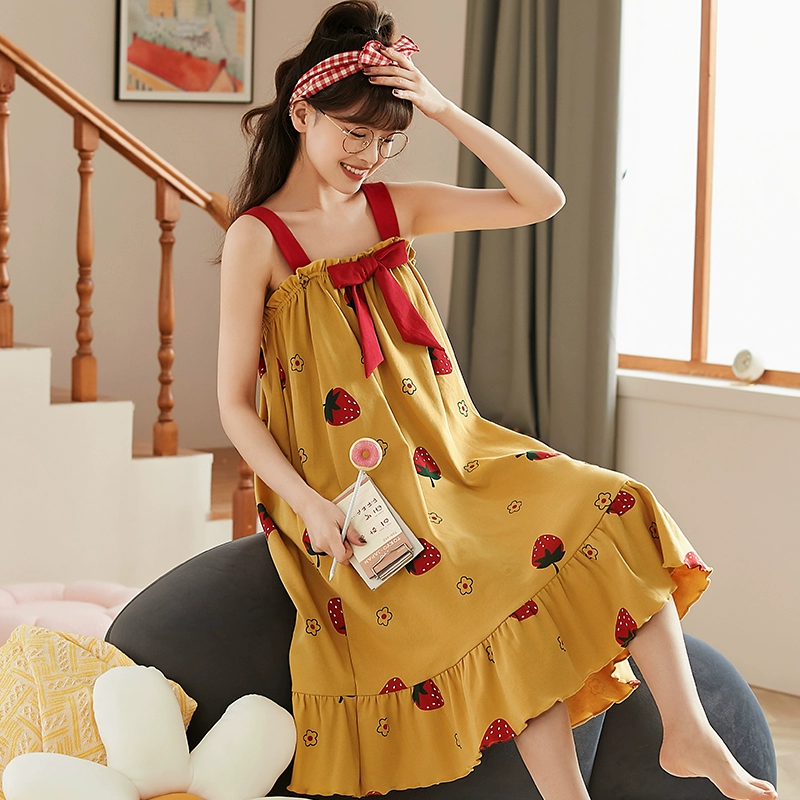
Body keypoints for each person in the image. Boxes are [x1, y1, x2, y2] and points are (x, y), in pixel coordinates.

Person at [217, 2, 777, 798]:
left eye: (386, 140)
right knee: (493, 598)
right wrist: (306, 504)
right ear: (302, 113)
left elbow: (541, 198)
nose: (369, 156)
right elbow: (234, 404)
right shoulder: (258, 238)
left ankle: (688, 731)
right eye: (355, 135)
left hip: (457, 454)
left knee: (617, 503)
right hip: (355, 491)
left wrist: (444, 109)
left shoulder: (394, 208)